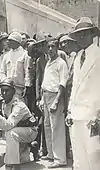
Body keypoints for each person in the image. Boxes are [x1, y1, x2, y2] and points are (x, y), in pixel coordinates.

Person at [66, 17, 100, 170]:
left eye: (84, 34)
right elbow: (74, 86)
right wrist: (69, 110)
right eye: (78, 34)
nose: (81, 37)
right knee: (79, 160)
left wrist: (98, 116)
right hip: (76, 114)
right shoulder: (78, 56)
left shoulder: (98, 55)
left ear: (92, 35)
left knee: (94, 158)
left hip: (91, 116)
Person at [0, 78, 38, 170]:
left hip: (30, 131)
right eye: (2, 90)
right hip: (19, 130)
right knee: (22, 158)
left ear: (13, 91)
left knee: (10, 133)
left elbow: (7, 125)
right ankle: (30, 147)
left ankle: (13, 166)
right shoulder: (4, 102)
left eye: (7, 91)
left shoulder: (19, 105)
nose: (4, 93)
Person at [40, 39, 68, 168]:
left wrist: (56, 101)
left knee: (56, 128)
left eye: (53, 46)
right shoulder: (48, 62)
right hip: (45, 95)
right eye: (49, 47)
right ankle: (51, 154)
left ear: (57, 48)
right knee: (47, 126)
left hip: (55, 96)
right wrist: (42, 99)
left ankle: (60, 159)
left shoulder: (61, 63)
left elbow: (63, 83)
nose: (50, 49)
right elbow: (45, 82)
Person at [0, 31, 32, 104]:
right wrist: (5, 81)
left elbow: (27, 71)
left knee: (19, 109)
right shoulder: (6, 56)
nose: (8, 42)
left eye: (10, 41)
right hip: (7, 88)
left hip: (19, 89)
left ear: (16, 42)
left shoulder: (25, 54)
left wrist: (27, 86)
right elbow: (2, 71)